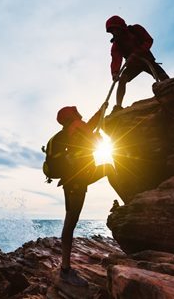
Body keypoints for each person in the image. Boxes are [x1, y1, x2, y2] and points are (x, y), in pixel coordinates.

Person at [56, 104, 117, 286]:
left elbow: (89, 126)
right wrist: (95, 138)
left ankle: (65, 269)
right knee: (71, 222)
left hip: (75, 179)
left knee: (108, 168)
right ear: (71, 116)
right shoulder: (77, 125)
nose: (78, 111)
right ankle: (65, 270)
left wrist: (101, 111)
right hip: (77, 180)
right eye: (74, 110)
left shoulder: (72, 127)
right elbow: (94, 138)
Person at [106, 15, 169, 112]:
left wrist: (137, 52)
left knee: (164, 77)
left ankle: (171, 91)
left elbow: (148, 40)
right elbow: (116, 58)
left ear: (120, 27)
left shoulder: (135, 30)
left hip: (147, 60)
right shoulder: (117, 44)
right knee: (122, 79)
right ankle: (118, 106)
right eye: (112, 31)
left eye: (115, 29)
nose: (114, 32)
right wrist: (115, 72)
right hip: (133, 65)